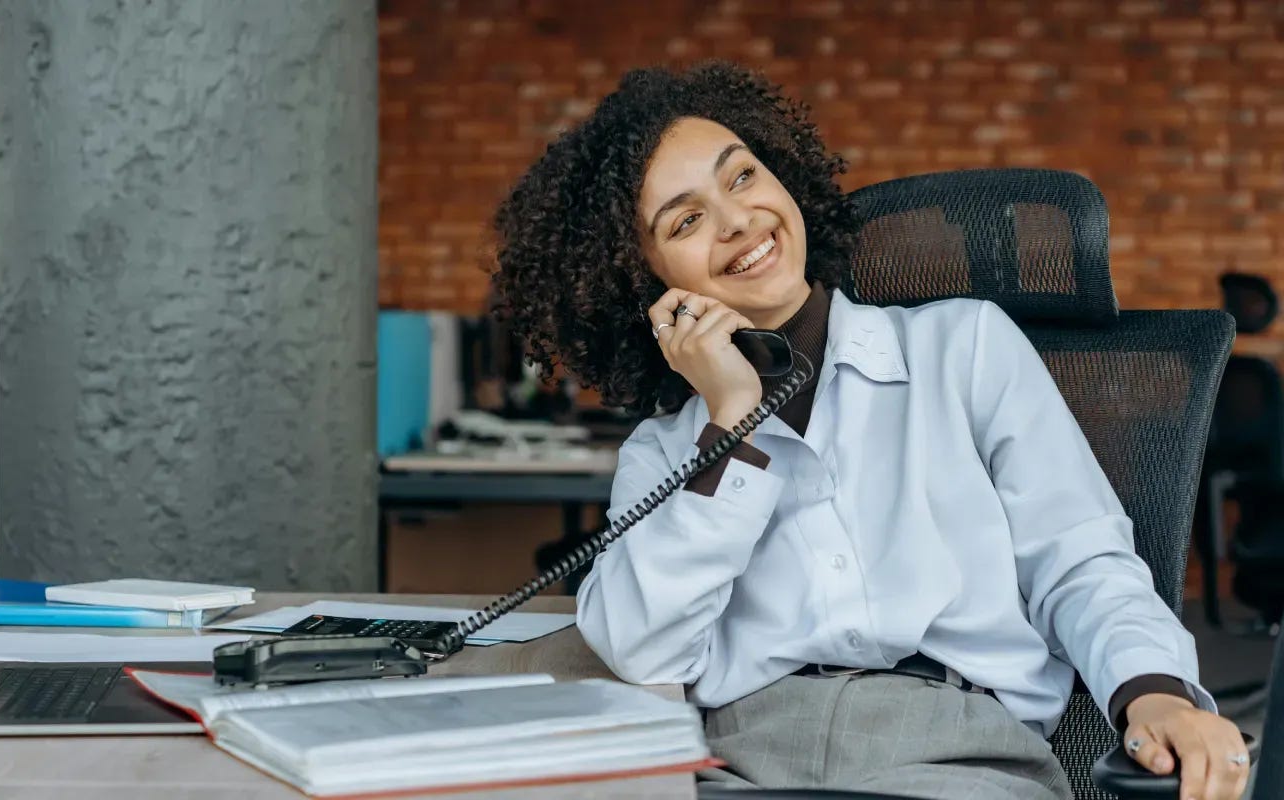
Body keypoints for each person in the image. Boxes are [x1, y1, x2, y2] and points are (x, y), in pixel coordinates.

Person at [487, 62, 1249, 800]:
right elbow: (641, 646)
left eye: (742, 176)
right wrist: (732, 421)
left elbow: (1079, 560)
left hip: (957, 753)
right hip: (743, 761)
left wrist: (1153, 693)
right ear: (646, 281)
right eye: (686, 220)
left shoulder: (964, 347)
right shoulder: (667, 449)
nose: (737, 221)